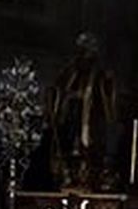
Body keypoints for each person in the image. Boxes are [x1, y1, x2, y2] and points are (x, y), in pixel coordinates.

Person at [49, 33, 116, 187]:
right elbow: (59, 88)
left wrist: (107, 84)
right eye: (82, 51)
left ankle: (89, 174)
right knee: (69, 144)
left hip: (90, 119)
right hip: (72, 115)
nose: (84, 56)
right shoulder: (70, 71)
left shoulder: (97, 73)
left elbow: (105, 95)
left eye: (87, 51)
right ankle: (68, 174)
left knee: (89, 147)